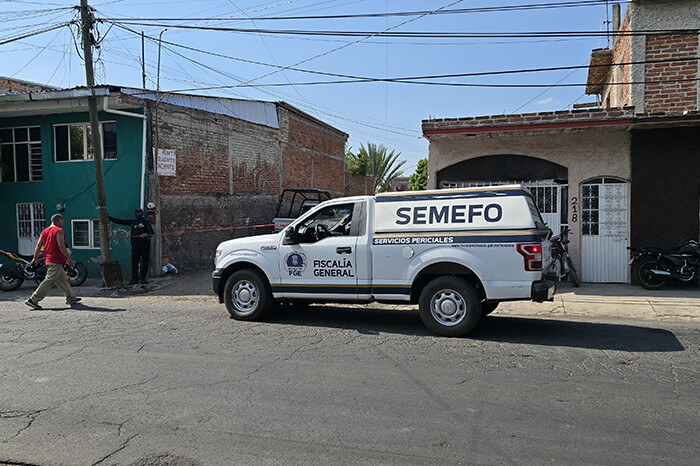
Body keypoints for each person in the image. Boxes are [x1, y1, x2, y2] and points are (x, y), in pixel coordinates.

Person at [25, 214, 81, 310]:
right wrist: (69, 258)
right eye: (62, 221)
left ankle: (71, 298)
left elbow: (38, 246)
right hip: (55, 260)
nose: (63, 223)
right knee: (49, 280)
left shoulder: (44, 231)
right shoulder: (59, 231)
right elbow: (61, 246)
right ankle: (33, 299)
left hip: (49, 260)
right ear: (59, 220)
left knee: (63, 279)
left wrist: (35, 258)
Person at [107, 208, 154, 285]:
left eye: (139, 213)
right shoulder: (133, 222)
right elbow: (121, 221)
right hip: (135, 245)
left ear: (142, 213)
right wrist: (109, 218)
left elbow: (151, 232)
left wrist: (146, 234)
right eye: (137, 213)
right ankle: (134, 278)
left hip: (144, 245)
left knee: (145, 261)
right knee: (134, 262)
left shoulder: (146, 223)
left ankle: (143, 278)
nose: (138, 214)